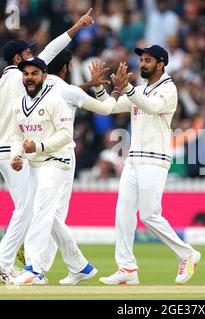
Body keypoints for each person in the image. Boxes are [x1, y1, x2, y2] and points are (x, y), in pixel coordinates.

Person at [0, 9, 95, 283]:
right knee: (28, 208)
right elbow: (52, 49)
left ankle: (78, 265)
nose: (33, 59)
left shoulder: (2, 83)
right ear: (17, 59)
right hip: (17, 151)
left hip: (2, 150)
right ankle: (2, 259)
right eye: (28, 55)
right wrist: (76, 28)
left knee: (32, 207)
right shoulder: (23, 76)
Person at [92, 45, 201, 285]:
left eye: (148, 60)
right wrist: (100, 86)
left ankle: (187, 254)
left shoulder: (169, 89)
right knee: (123, 213)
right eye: (141, 59)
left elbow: (151, 107)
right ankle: (127, 268)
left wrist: (127, 88)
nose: (142, 64)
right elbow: (109, 107)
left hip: (155, 158)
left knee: (150, 215)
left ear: (161, 63)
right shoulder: (140, 90)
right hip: (133, 159)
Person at [37, 49, 128, 285]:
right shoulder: (66, 90)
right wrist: (116, 89)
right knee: (50, 212)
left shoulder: (38, 86)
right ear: (67, 68)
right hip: (61, 155)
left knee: (48, 212)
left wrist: (88, 84)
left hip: (40, 153)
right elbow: (106, 108)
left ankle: (40, 268)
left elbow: (70, 93)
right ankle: (73, 266)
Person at [5, 57, 96, 285]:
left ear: (44, 75)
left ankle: (34, 269)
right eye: (26, 74)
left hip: (57, 161)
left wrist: (39, 146)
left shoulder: (56, 99)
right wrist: (16, 156)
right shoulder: (19, 103)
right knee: (52, 217)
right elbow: (17, 135)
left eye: (34, 73)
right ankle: (80, 266)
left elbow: (66, 134)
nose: (29, 78)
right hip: (36, 163)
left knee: (41, 211)